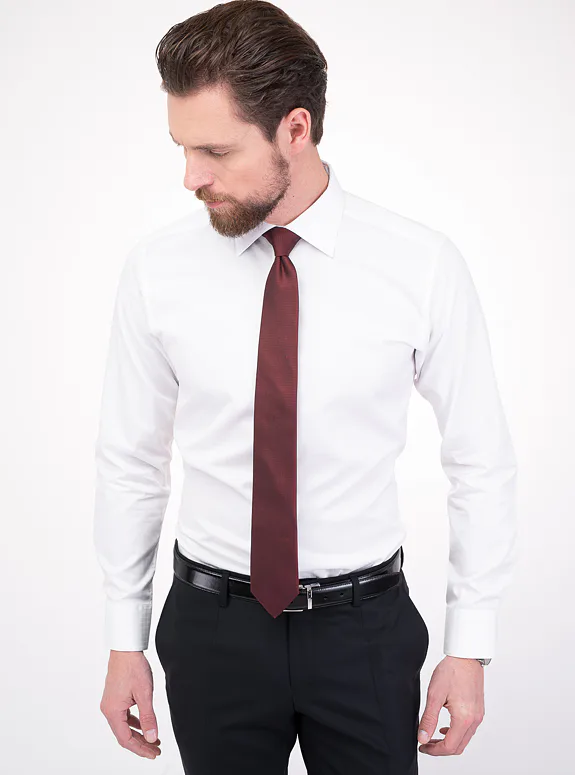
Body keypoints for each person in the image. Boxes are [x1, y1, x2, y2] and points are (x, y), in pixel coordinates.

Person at [94, 1, 518, 773]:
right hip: (211, 631)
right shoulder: (157, 270)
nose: (191, 177)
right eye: (182, 148)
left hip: (364, 633)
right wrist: (126, 636)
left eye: (215, 151)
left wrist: (470, 644)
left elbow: (479, 459)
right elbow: (131, 458)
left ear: (296, 128)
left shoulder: (419, 265)